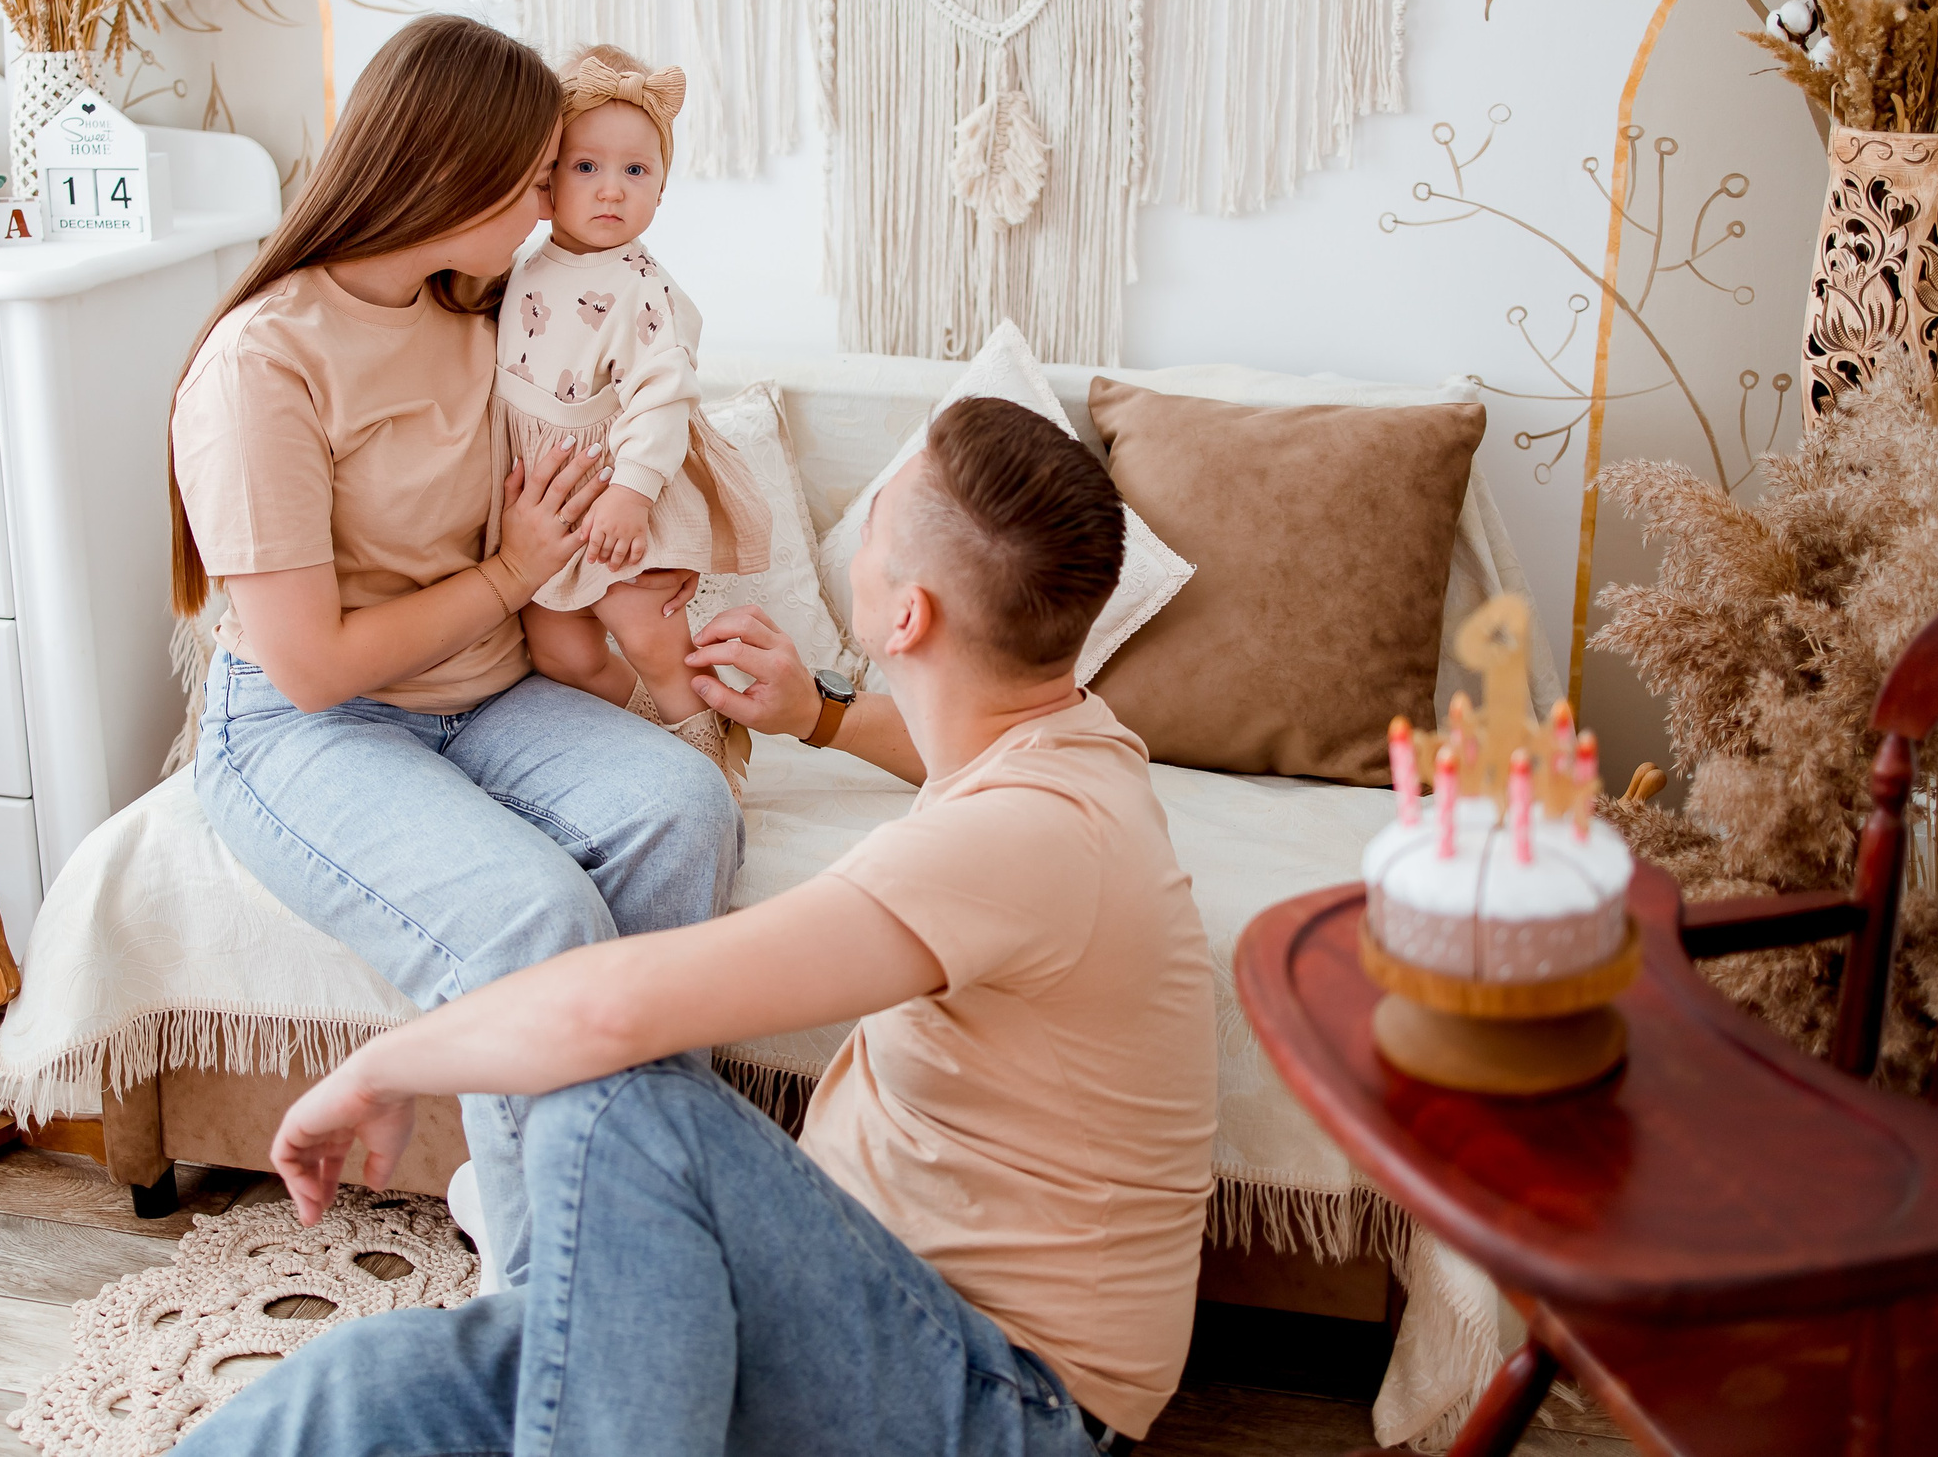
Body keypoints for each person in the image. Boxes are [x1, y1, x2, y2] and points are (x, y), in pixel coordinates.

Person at [181, 396, 1219, 1457]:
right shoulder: (1069, 751)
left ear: (903, 617)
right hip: (848, 1296)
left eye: (868, 531)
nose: (852, 545)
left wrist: (381, 1067)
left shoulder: (1023, 843)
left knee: (625, 1103)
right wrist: (812, 715)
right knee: (374, 1380)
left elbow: (612, 1006)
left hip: (1004, 1400)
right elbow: (960, 753)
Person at [166, 15, 740, 1290]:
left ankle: (621, 1200)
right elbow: (310, 667)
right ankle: (558, 1294)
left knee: (682, 807)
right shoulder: (261, 364)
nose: (553, 201)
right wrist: (510, 576)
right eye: (536, 173)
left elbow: (629, 360)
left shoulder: (485, 307)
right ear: (452, 177)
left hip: (483, 691)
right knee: (528, 916)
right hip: (306, 726)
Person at [496, 44, 770, 794]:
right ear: (546, 178)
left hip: (616, 481)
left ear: (660, 187)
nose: (611, 190)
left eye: (636, 171)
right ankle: (652, 729)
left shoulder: (642, 286)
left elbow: (661, 395)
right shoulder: (518, 262)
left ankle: (708, 751)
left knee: (649, 630)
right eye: (587, 167)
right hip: (547, 495)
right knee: (556, 645)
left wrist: (634, 491)